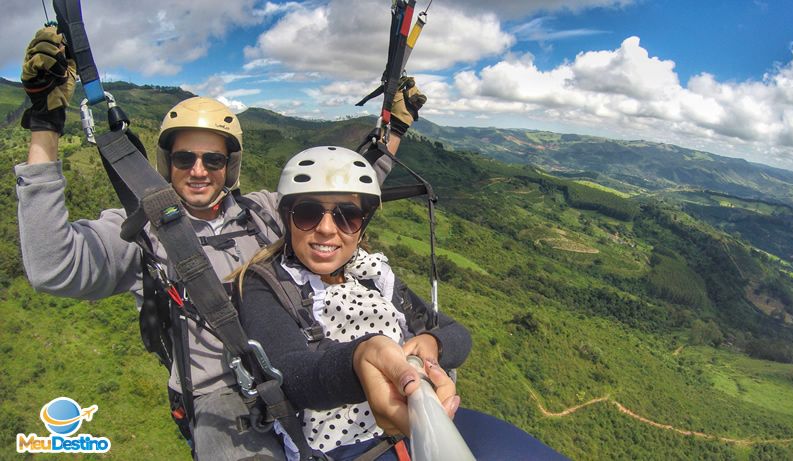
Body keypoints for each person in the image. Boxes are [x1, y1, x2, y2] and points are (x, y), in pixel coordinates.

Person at [14, 26, 426, 460]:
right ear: (166, 163)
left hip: (298, 363)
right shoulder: (139, 233)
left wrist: (395, 126)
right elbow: (52, 266)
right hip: (220, 397)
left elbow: (342, 191)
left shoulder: (265, 213)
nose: (198, 170)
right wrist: (45, 125)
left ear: (229, 167)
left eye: (212, 159)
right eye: (183, 158)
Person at [233, 146, 471, 460]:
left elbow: (456, 333)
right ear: (286, 217)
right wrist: (360, 360)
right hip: (339, 448)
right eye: (308, 213)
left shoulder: (372, 273)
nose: (327, 229)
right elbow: (290, 371)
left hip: (416, 424)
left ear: (362, 224)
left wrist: (432, 343)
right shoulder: (264, 283)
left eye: (347, 216)